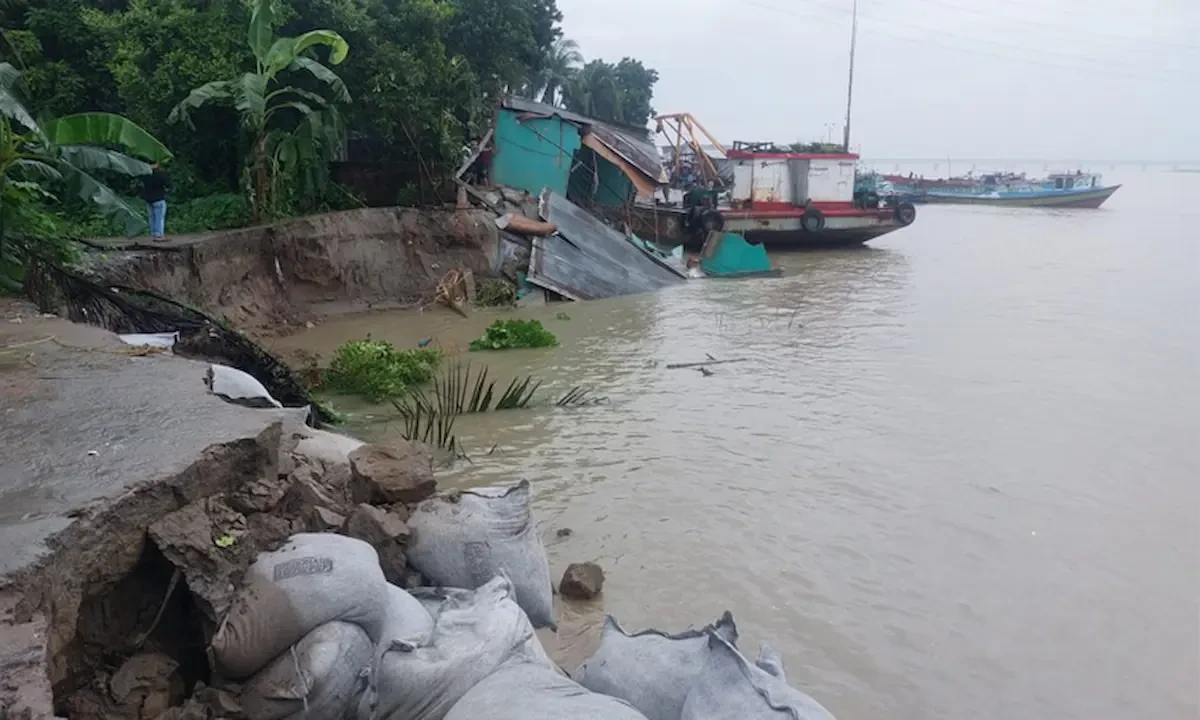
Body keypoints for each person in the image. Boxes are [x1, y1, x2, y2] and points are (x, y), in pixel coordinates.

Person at [142, 162, 169, 240]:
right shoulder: (160, 174)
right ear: (157, 164)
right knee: (159, 217)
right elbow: (168, 184)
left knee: (151, 217)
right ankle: (159, 234)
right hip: (159, 198)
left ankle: (153, 233)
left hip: (148, 199)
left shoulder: (145, 174)